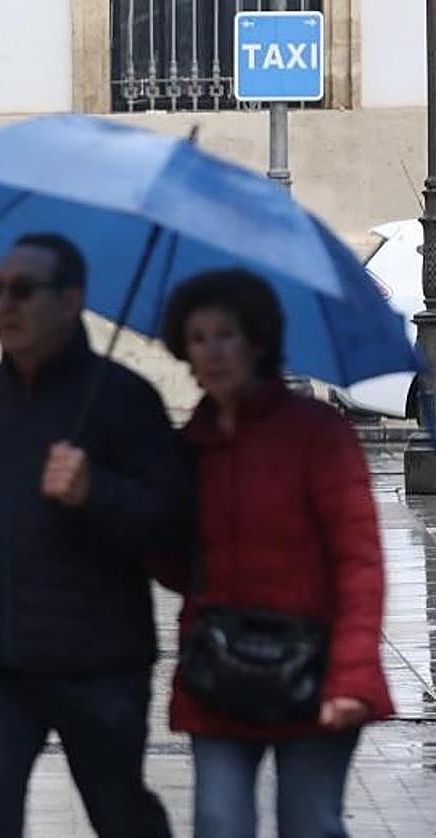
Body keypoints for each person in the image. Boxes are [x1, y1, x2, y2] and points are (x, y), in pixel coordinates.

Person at [0, 233, 190, 837]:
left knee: (120, 814)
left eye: (24, 290)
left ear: (71, 300)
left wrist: (95, 492)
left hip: (97, 664)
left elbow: (174, 524)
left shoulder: (126, 400)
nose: (7, 305)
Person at [156, 269, 393, 838]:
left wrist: (352, 676)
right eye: (198, 338)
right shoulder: (191, 445)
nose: (212, 351)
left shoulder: (317, 434)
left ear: (258, 341)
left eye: (226, 335)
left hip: (313, 670)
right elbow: (176, 567)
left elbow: (360, 560)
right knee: (218, 822)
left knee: (308, 823)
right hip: (220, 669)